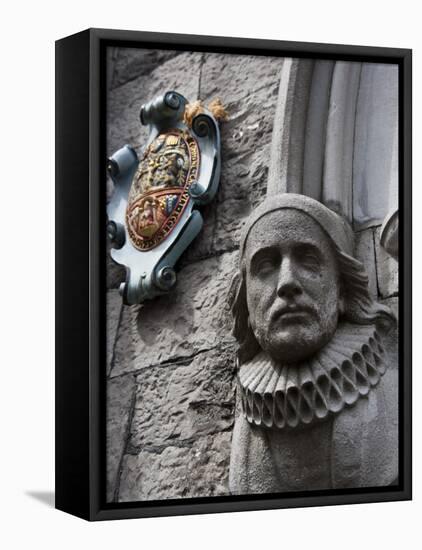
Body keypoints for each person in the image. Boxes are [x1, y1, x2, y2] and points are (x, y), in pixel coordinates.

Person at [229, 193, 398, 493]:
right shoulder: (248, 416)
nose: (287, 283)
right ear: (246, 302)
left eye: (308, 260)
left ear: (342, 288)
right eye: (265, 266)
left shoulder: (398, 385)